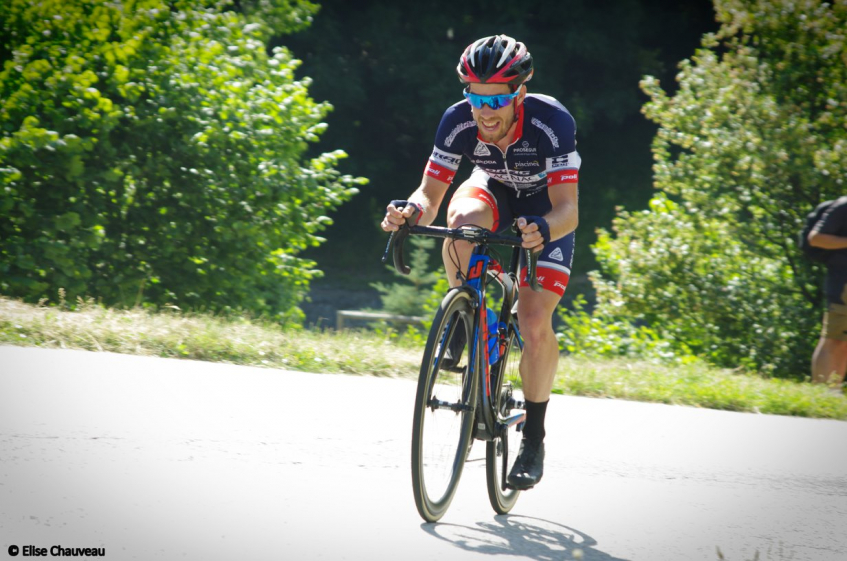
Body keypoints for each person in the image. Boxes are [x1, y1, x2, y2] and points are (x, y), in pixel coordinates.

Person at [380, 34, 580, 489]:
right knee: (461, 219)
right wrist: (409, 212)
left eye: (499, 99)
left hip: (545, 206)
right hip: (491, 187)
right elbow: (429, 195)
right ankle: (467, 313)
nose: (485, 111)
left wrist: (544, 229)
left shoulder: (551, 122)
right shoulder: (457, 122)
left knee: (533, 323)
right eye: (475, 97)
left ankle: (533, 438)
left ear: (520, 94)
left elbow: (569, 209)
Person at [808, 195, 847, 395]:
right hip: (844, 283)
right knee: (835, 339)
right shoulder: (844, 206)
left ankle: (833, 390)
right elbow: (816, 238)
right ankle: (824, 393)